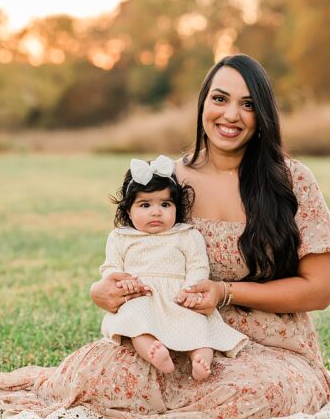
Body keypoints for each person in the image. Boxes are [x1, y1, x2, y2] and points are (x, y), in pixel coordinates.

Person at [0, 53, 330, 419]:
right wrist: (101, 290)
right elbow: (129, 259)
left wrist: (226, 292)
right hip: (173, 334)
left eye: (247, 104)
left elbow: (319, 290)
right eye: (220, 99)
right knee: (103, 377)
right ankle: (174, 399)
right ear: (203, 104)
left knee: (260, 392)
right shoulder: (165, 182)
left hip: (269, 346)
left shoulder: (291, 181)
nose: (230, 115)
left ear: (263, 115)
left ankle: (194, 404)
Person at [100, 155, 246, 381]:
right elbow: (110, 268)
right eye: (145, 205)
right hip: (142, 295)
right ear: (128, 211)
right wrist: (122, 280)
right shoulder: (121, 238)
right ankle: (155, 352)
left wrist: (190, 290)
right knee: (135, 320)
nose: (156, 212)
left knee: (199, 324)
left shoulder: (186, 235)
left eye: (165, 204)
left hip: (179, 296)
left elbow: (198, 266)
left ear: (177, 208)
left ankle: (200, 359)